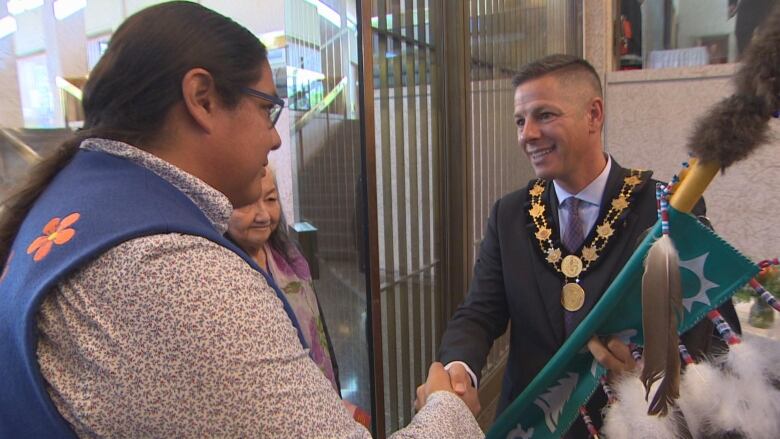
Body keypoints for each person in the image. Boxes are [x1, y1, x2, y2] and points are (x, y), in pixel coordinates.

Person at [0, 2, 482, 437]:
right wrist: (447, 412)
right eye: (266, 108)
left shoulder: (71, 206)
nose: (275, 140)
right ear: (203, 98)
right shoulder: (172, 272)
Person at [435, 54, 740, 437]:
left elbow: (707, 337)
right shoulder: (509, 214)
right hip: (533, 426)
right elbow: (479, 312)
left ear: (594, 115)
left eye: (544, 115)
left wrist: (649, 369)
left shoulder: (666, 209)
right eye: (520, 120)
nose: (526, 134)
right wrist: (458, 371)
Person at [227, 167, 370, 427]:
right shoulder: (222, 277)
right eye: (246, 203)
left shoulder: (290, 257)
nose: (262, 215)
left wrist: (332, 397)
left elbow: (321, 335)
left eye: (270, 199)